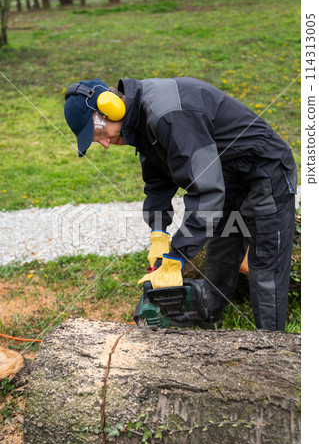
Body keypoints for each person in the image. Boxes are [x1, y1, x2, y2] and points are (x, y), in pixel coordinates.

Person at [64, 77, 297, 331]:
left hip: (265, 173)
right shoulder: (140, 121)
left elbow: (206, 193)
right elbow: (157, 183)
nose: (105, 143)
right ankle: (208, 326)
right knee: (220, 257)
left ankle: (273, 347)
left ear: (110, 107)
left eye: (99, 133)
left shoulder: (168, 115)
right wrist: (158, 232)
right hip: (228, 178)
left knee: (265, 266)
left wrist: (177, 256)